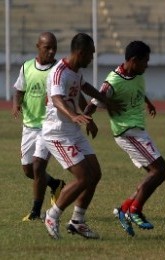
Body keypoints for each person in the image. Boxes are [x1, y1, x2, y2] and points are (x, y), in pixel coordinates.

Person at [84, 40, 165, 237]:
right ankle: (135, 210)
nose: (147, 65)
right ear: (133, 60)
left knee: (154, 175)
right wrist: (88, 120)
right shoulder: (113, 81)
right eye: (145, 61)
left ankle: (124, 208)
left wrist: (147, 102)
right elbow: (93, 103)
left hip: (138, 131)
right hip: (127, 132)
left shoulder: (137, 74)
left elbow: (137, 90)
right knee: (160, 169)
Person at [42, 33, 120, 240]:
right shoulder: (59, 72)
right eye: (91, 54)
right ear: (81, 52)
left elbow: (82, 88)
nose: (92, 58)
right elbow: (56, 98)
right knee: (83, 177)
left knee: (95, 174)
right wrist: (74, 115)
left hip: (73, 130)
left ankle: (77, 221)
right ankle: (52, 215)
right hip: (57, 132)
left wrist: (95, 108)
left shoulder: (75, 71)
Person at [12, 32, 65, 221]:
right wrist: (16, 104)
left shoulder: (58, 70)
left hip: (48, 125)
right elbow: (19, 90)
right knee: (28, 170)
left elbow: (65, 93)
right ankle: (56, 184)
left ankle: (35, 212)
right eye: (47, 48)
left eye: (54, 48)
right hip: (29, 125)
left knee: (37, 167)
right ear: (38, 47)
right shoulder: (27, 67)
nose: (51, 52)